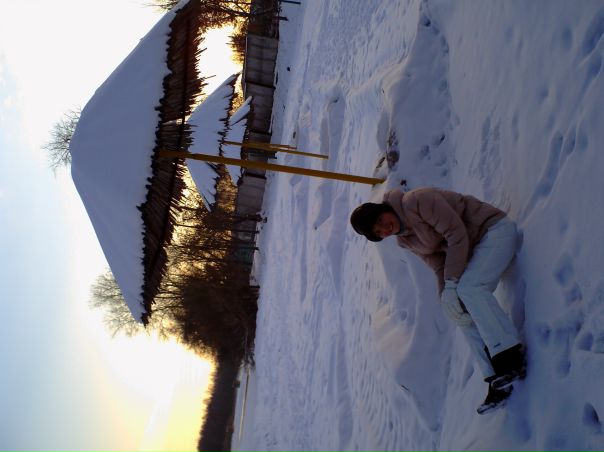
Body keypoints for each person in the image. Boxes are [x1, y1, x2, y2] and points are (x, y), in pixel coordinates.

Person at [350, 186, 526, 414]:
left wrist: (452, 284)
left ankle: (510, 355)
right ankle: (494, 375)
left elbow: (457, 235)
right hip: (478, 253)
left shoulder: (418, 201)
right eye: (378, 231)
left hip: (493, 232)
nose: (385, 229)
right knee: (460, 311)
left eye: (380, 220)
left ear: (383, 209)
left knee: (469, 289)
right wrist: (445, 296)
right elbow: (438, 265)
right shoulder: (405, 241)